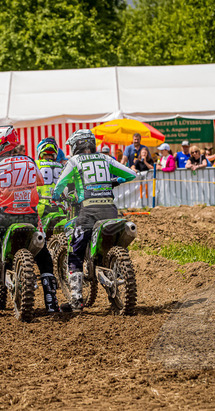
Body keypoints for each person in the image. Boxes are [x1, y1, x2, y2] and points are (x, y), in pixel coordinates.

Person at [0, 126, 59, 314]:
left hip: (6, 218)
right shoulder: (29, 160)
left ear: (0, 144)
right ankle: (51, 302)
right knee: (43, 254)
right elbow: (40, 181)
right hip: (31, 217)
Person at [51, 129, 137, 313]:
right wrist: (114, 181)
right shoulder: (105, 158)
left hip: (88, 212)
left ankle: (76, 300)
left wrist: (55, 196)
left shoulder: (74, 161)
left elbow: (60, 185)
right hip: (110, 210)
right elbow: (131, 174)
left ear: (76, 145)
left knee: (75, 253)